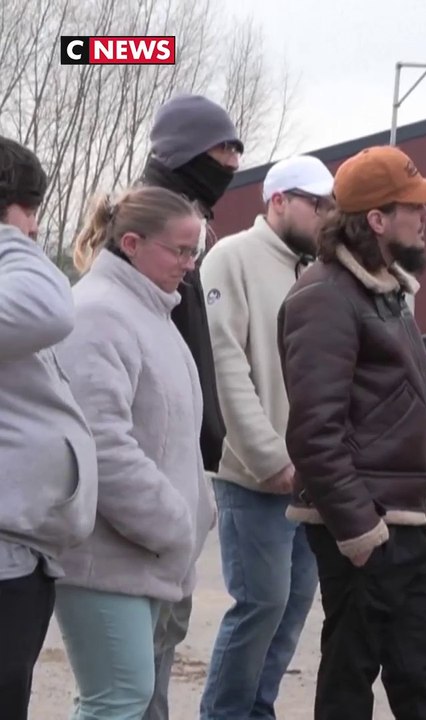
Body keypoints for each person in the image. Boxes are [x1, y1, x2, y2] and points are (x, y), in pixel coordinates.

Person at [278, 145, 426, 720]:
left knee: (424, 685)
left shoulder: (384, 292)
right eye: (414, 206)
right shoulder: (325, 297)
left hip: (402, 524)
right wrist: (362, 533)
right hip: (366, 530)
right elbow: (314, 432)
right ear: (376, 219)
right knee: (350, 688)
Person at [52, 185, 217, 719]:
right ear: (131, 243)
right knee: (117, 699)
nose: (190, 265)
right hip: (105, 559)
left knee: (120, 700)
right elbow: (100, 443)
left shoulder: (151, 313)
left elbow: (173, 437)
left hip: (146, 555)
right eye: (180, 251)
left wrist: (197, 510)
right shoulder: (98, 315)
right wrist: (173, 521)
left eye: (195, 251)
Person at [198, 155, 334, 719]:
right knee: (261, 605)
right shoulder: (231, 259)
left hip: (310, 479)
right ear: (278, 200)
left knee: (293, 607)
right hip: (256, 479)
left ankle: (259, 709)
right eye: (316, 203)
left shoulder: (316, 271)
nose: (326, 215)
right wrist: (269, 458)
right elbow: (225, 365)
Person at [135, 92, 243, 720]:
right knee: (135, 669)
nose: (232, 164)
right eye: (222, 150)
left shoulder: (187, 220)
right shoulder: (154, 223)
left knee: (162, 639)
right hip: (152, 471)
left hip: (180, 465)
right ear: (184, 152)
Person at [0, 137, 99, 720]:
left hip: (21, 554)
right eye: (29, 210)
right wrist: (8, 236)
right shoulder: (22, 276)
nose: (35, 228)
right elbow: (50, 306)